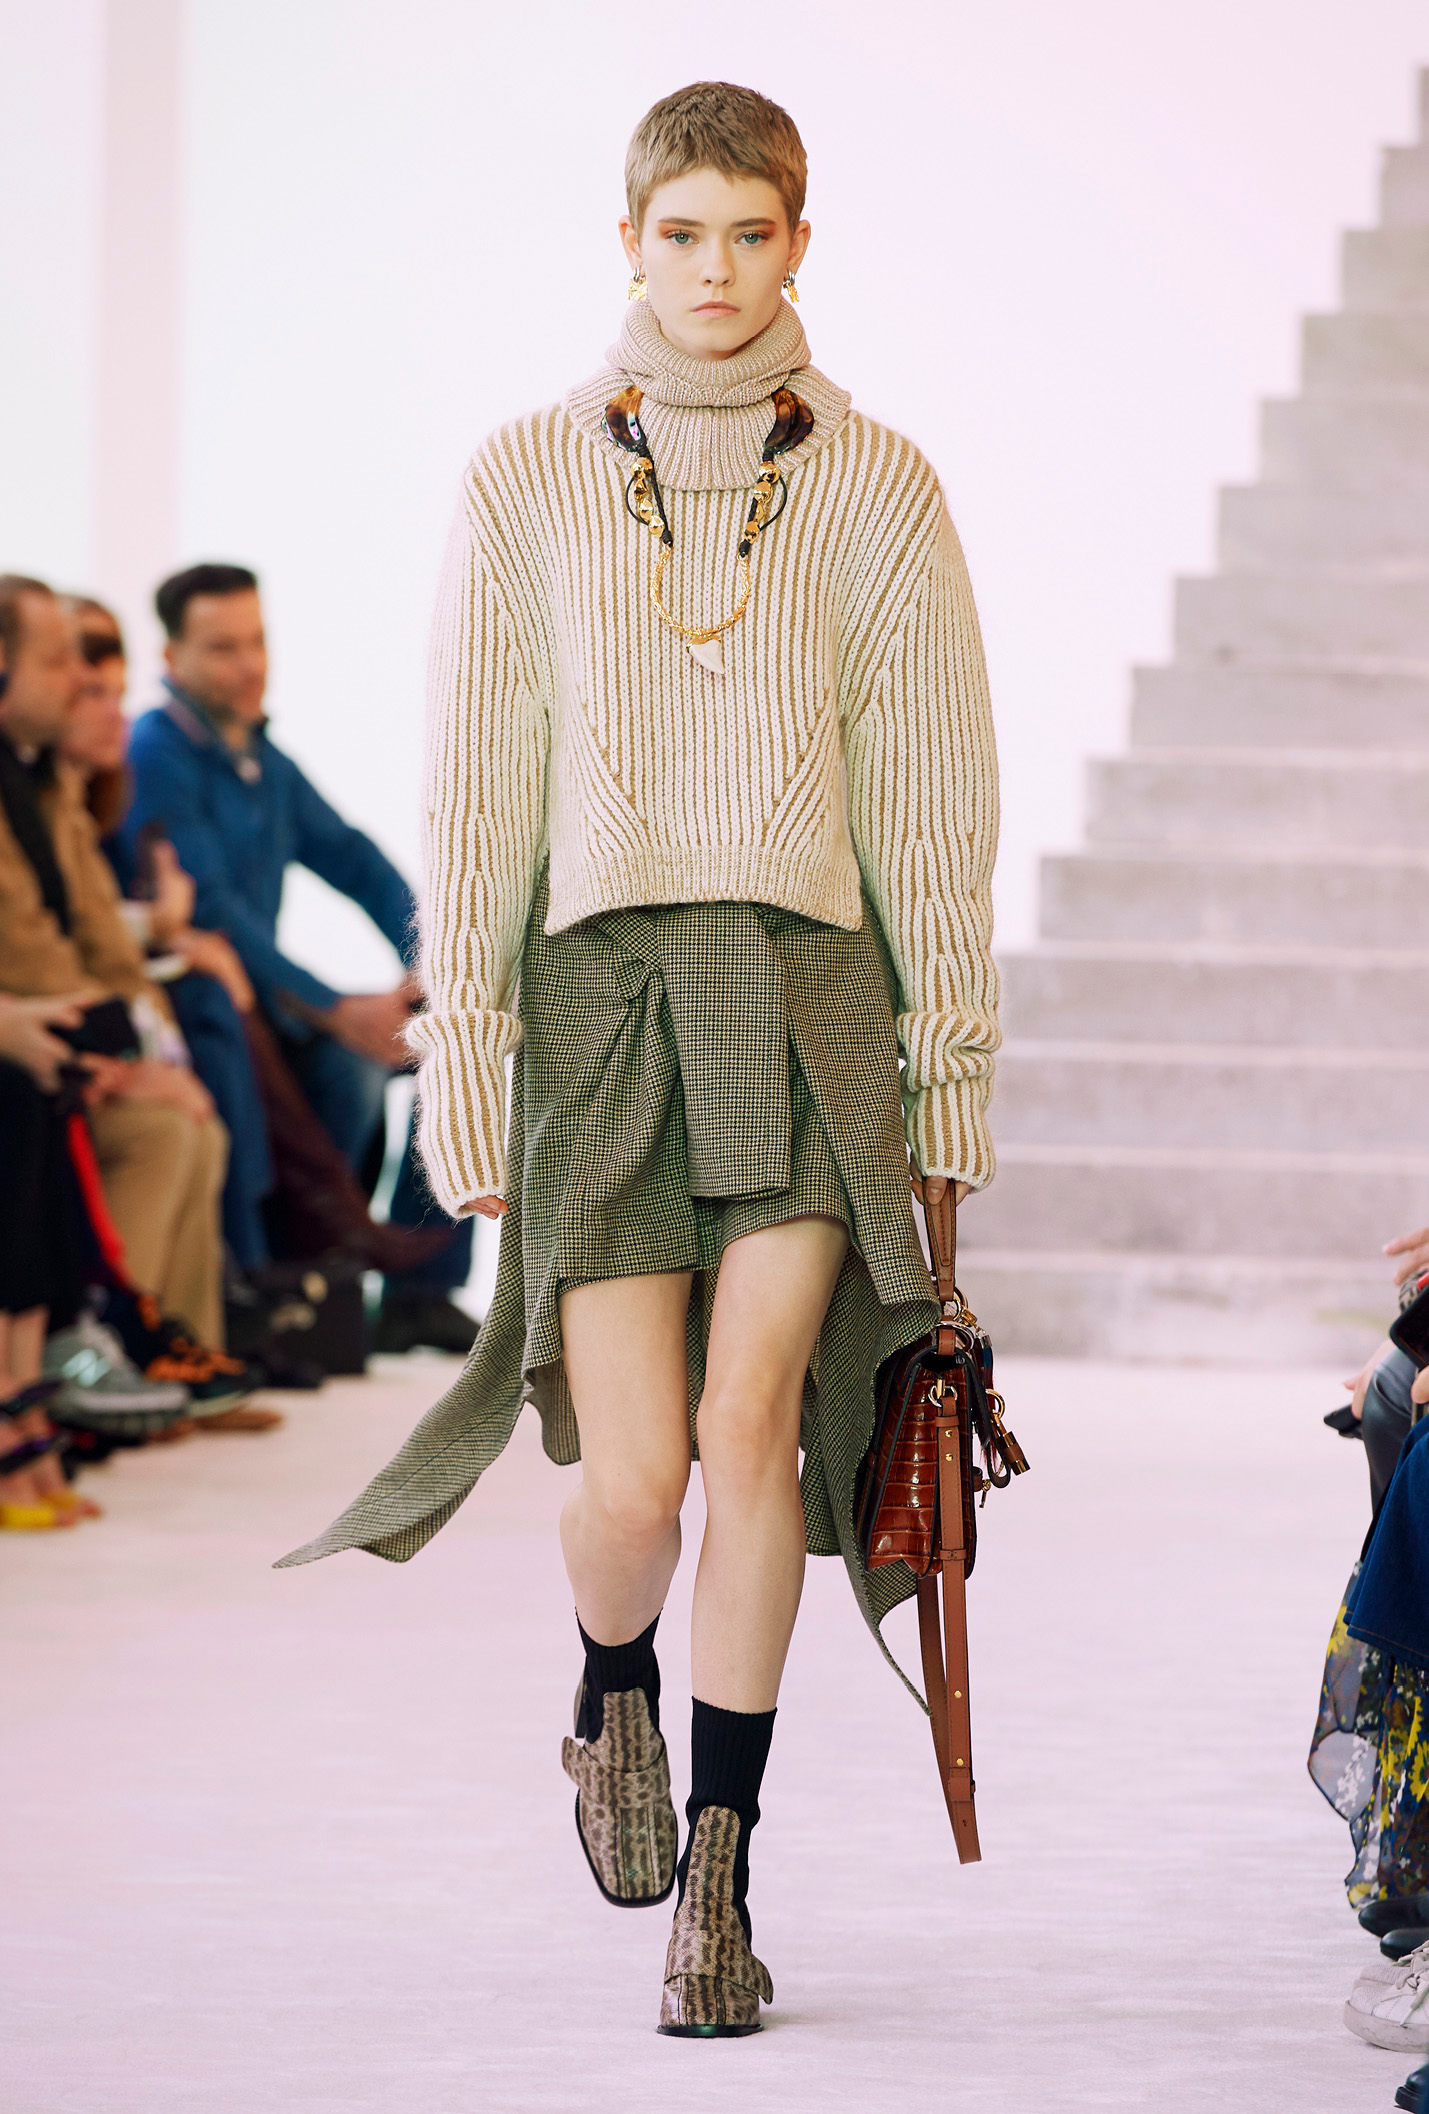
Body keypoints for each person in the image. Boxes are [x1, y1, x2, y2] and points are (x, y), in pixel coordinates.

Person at [278, 82, 999, 2036]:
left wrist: (947, 1076)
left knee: (753, 1428)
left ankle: (720, 1880)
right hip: (599, 1005)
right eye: (680, 233)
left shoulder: (877, 485)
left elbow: (931, 806)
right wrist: (468, 1060)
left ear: (797, 243)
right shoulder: (524, 475)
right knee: (634, 1474)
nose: (714, 270)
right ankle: (611, 1682)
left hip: (806, 994)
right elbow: (476, 794)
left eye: (749, 233)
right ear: (628, 242)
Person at [121, 563, 475, 1352]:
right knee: (351, 1071)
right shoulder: (156, 754)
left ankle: (419, 1293)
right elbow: (215, 916)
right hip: (212, 1009)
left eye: (257, 641)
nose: (249, 665)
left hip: (278, 1005)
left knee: (450, 1046)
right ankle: (309, 1284)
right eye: (222, 648)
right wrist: (336, 1009)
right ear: (172, 658)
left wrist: (436, 959)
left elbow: (354, 860)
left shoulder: (262, 760)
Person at [0, 575, 230, 1353]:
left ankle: (178, 1357)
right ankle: (106, 1354)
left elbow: (106, 951)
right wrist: (126, 1061)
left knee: (197, 1111)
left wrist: (147, 1057)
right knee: (162, 1125)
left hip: (58, 1030)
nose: (82, 689)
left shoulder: (46, 785)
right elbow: (32, 952)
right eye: (64, 666)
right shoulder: (31, 782)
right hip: (37, 1037)